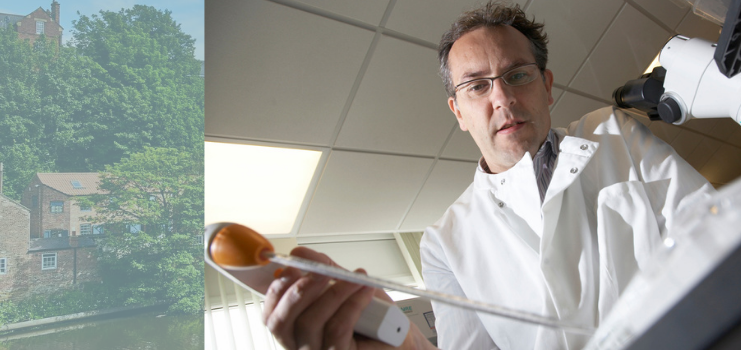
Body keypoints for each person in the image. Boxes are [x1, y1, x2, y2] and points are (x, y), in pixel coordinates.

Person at [262, 2, 714, 349]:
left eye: (517, 75)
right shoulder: (444, 243)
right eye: (477, 85)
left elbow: (716, 230)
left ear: (547, 85)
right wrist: (403, 341)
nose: (502, 98)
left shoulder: (614, 133)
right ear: (458, 111)